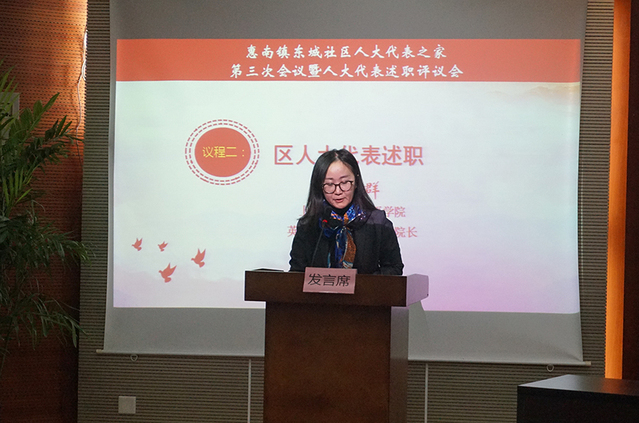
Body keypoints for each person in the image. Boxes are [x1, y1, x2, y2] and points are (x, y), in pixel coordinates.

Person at [289, 149, 403, 275]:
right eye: (329, 184)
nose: (338, 191)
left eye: (344, 182)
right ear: (319, 186)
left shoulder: (378, 222)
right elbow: (296, 273)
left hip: (364, 289)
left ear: (356, 182)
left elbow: (394, 269)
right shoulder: (308, 225)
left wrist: (361, 283)